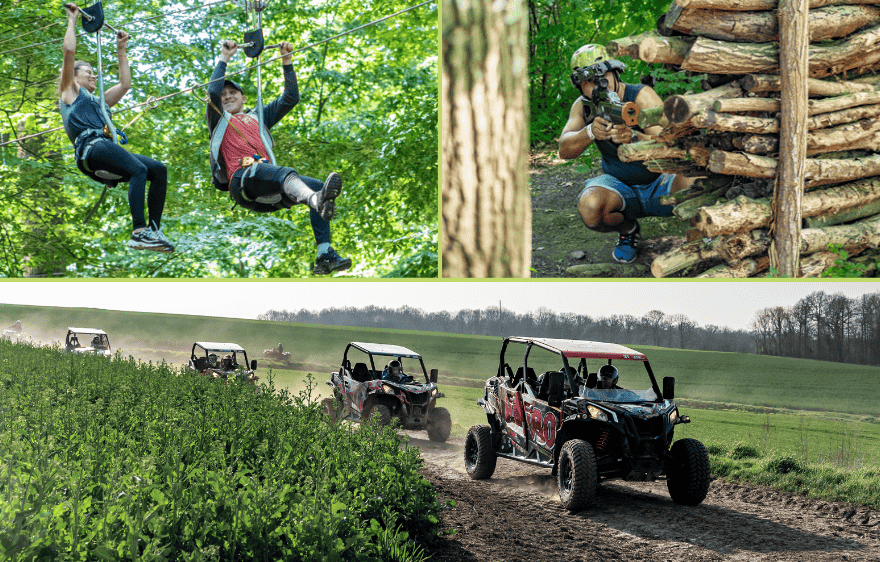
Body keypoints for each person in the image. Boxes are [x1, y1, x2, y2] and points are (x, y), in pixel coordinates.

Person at [207, 40, 352, 275]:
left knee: (315, 184)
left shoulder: (259, 118)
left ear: (244, 98)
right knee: (289, 176)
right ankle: (315, 200)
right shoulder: (218, 120)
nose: (226, 96)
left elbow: (290, 98)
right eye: (223, 95)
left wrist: (287, 61)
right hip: (243, 181)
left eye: (233, 92)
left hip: (269, 191)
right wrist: (224, 56)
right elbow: (212, 91)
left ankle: (324, 255)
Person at [559, 44, 694, 264]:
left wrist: (635, 138)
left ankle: (703, 238)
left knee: (694, 182)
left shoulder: (640, 95)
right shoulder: (583, 106)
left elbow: (673, 145)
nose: (595, 86)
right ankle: (628, 230)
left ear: (614, 73)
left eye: (600, 77)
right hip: (619, 186)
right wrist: (590, 131)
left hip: (660, 181)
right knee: (590, 206)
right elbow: (564, 150)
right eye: (586, 82)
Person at [59, 3, 174, 253]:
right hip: (91, 148)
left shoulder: (100, 102)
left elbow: (124, 84)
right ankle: (138, 231)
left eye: (94, 73)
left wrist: (121, 49)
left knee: (158, 170)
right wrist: (72, 20)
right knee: (138, 170)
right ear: (75, 76)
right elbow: (69, 52)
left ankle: (152, 230)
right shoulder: (70, 93)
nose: (93, 76)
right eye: (88, 72)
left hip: (105, 148)